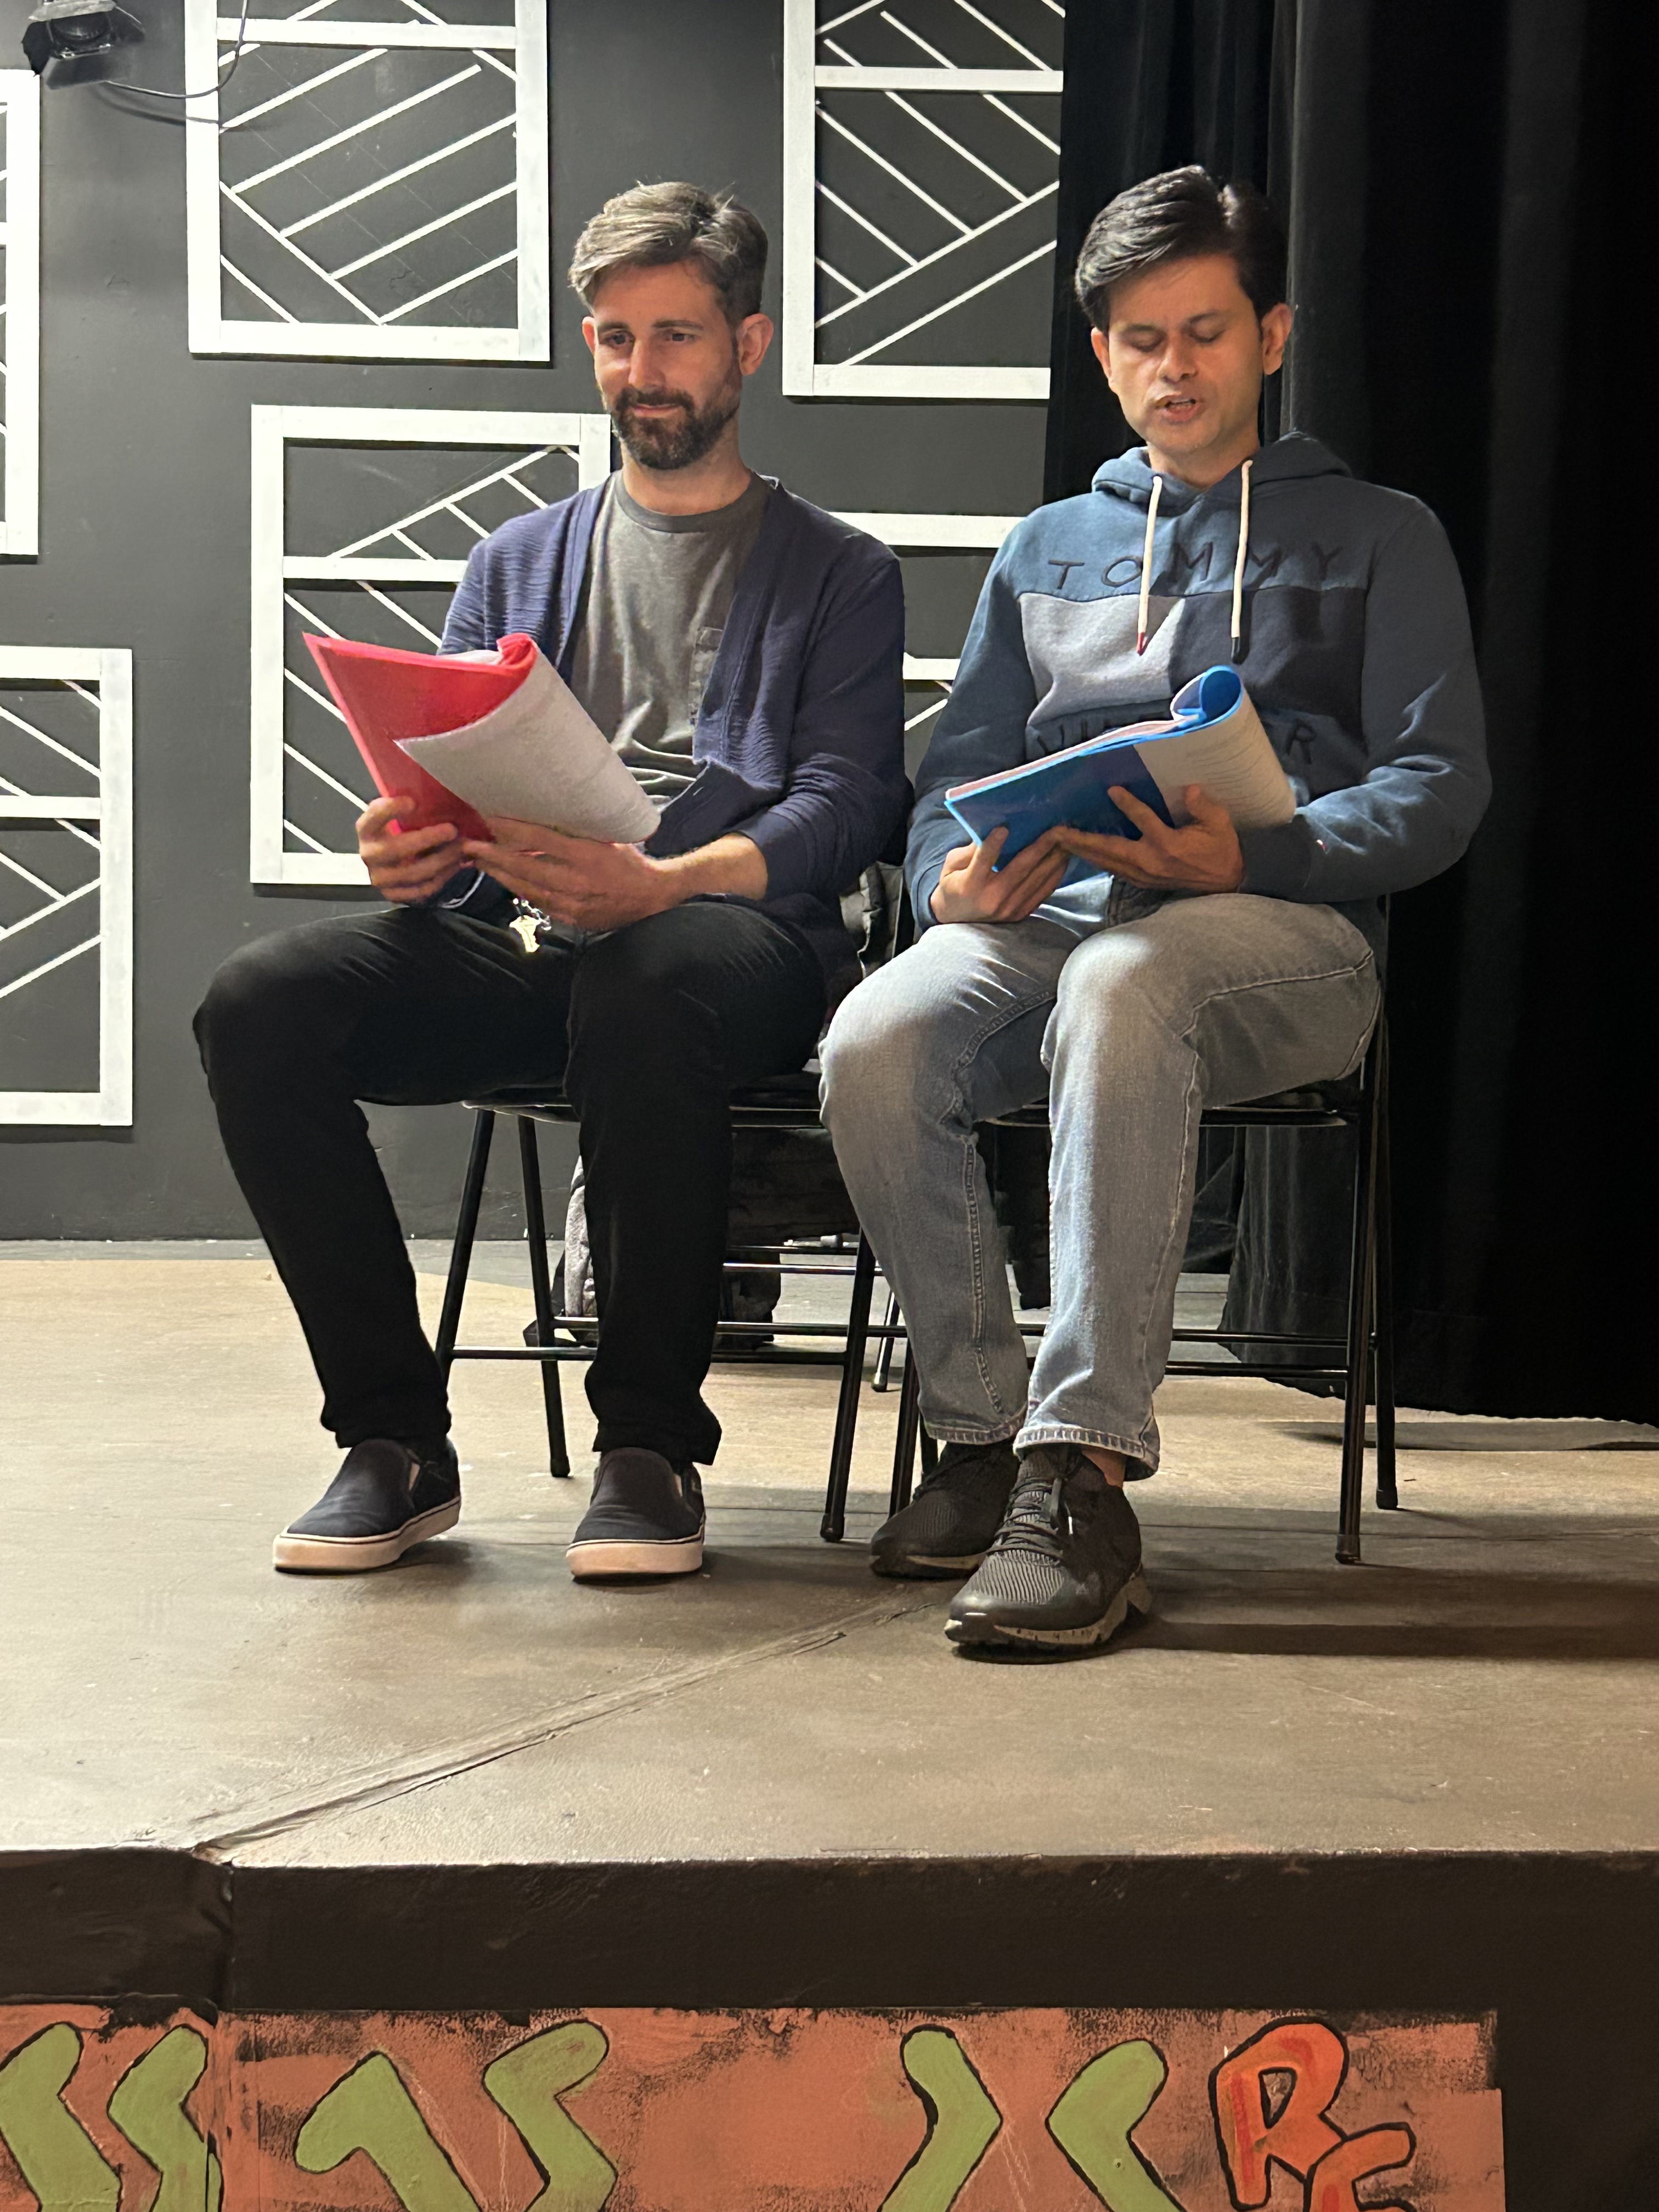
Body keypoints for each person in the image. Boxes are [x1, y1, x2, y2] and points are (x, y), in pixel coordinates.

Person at [820, 167, 1489, 1655]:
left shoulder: (1382, 535)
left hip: (1284, 944)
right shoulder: (1046, 546)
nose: (1173, 368)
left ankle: (1083, 1477)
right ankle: (982, 1437)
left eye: (1205, 332)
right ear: (1104, 354)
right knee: (876, 1035)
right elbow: (958, 776)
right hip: (1051, 924)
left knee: (1128, 980)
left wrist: (1258, 853)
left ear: (1272, 336)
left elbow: (1442, 789)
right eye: (1141, 339)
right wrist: (951, 877)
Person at [196, 184, 906, 1582]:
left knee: (648, 977)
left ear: (748, 343)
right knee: (258, 1004)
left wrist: (667, 880)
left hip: (731, 943)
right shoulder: (514, 561)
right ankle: (392, 1440)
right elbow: (450, 785)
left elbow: (847, 808)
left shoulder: (842, 572)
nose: (645, 372)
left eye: (678, 336)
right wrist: (413, 850)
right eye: (617, 339)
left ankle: (648, 1447)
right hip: (531, 937)